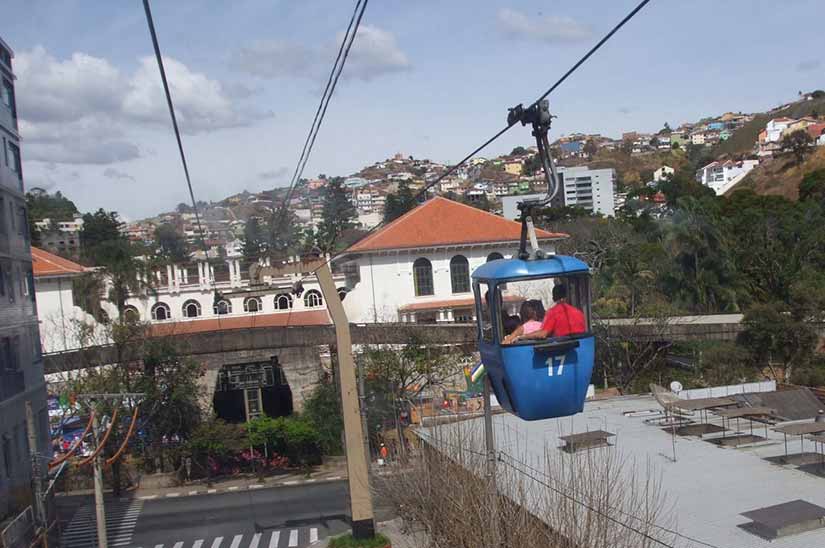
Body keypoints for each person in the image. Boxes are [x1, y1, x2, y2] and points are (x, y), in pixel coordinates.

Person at [509, 283, 586, 342]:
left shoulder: (553, 312)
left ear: (553, 298)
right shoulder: (579, 312)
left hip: (561, 349)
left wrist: (522, 337)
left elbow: (543, 334)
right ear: (566, 296)